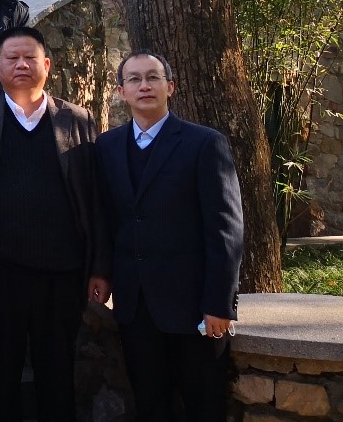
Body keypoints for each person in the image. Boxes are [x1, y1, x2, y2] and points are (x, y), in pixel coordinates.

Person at [0, 26, 111, 422]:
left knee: (57, 375)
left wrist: (99, 267)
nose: (22, 64)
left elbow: (94, 198)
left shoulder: (77, 119)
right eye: (12, 58)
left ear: (47, 65)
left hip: (62, 272)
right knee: (0, 374)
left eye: (30, 58)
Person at [95, 51, 244, 422]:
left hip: (195, 306)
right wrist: (102, 273)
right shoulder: (107, 147)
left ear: (170, 87)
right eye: (134, 79)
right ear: (121, 91)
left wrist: (219, 303)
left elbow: (226, 229)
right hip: (135, 306)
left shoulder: (204, 143)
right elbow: (107, 219)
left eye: (153, 77)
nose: (144, 86)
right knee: (151, 406)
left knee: (204, 408)